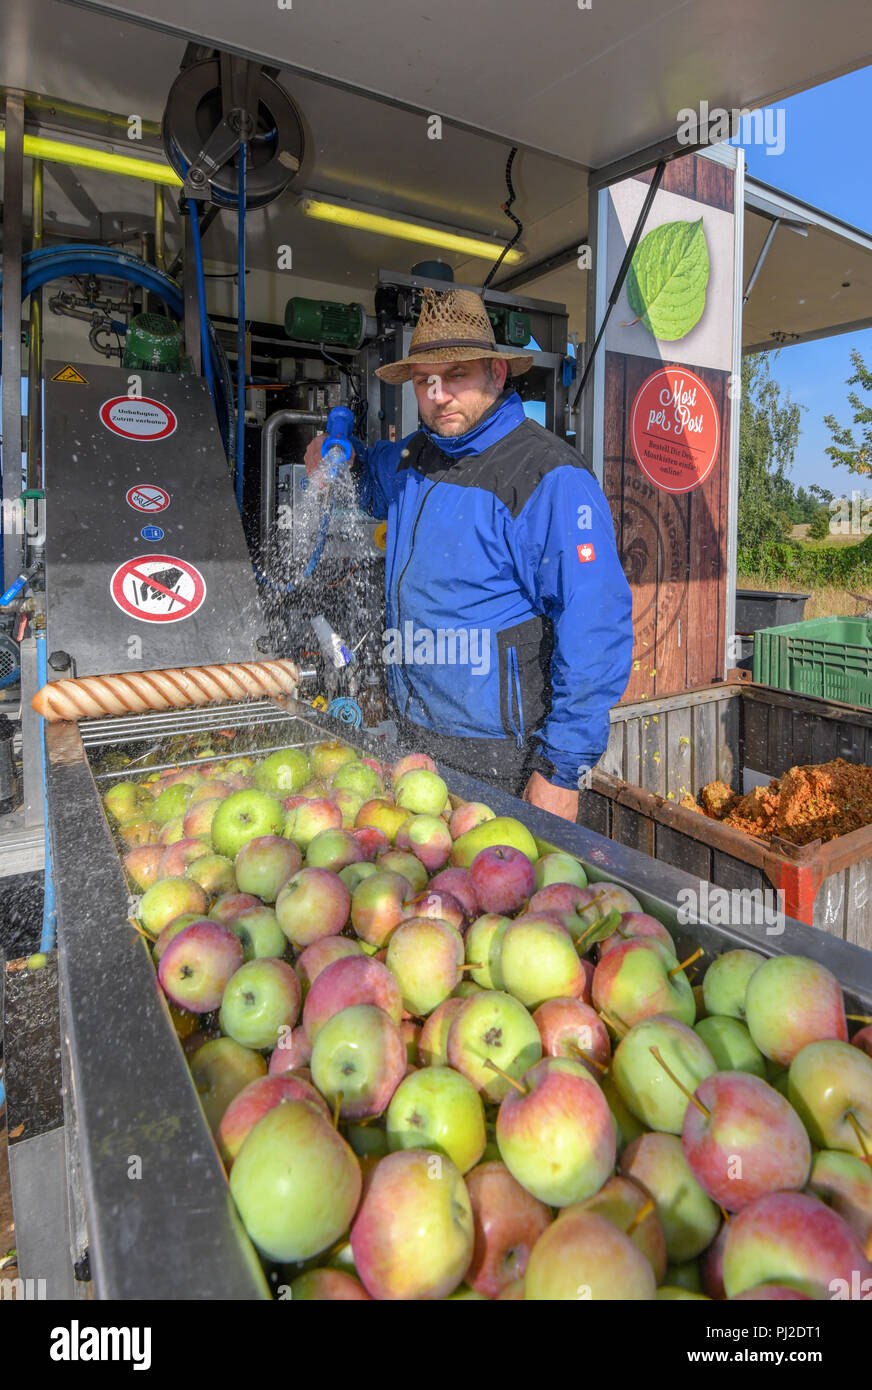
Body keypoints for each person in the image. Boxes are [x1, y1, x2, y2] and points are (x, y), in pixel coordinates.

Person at [304, 286, 633, 822]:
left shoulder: (546, 475)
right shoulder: (417, 456)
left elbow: (595, 622)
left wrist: (561, 769)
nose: (438, 395)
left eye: (455, 375)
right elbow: (370, 484)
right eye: (423, 381)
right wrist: (340, 457)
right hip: (415, 740)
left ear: (497, 375)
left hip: (505, 756)